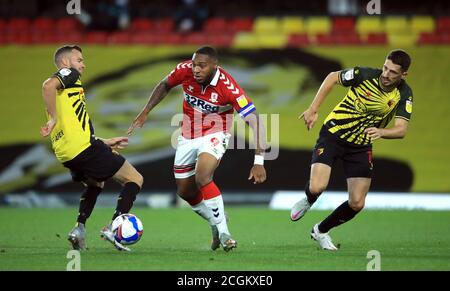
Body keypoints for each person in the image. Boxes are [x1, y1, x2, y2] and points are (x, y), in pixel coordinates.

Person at [128, 46, 267, 252]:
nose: (196, 70)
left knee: (203, 177)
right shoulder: (185, 70)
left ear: (214, 67)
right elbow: (165, 84)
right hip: (187, 136)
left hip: (214, 134)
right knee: (185, 191)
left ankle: (225, 233)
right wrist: (145, 111)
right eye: (194, 65)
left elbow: (255, 121)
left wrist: (259, 162)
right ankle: (214, 220)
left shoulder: (228, 88)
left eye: (202, 66)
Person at [291, 49, 413, 250]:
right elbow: (332, 78)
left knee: (357, 203)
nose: (386, 74)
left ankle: (321, 230)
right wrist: (313, 109)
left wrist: (382, 132)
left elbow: (401, 130)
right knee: (317, 187)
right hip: (334, 134)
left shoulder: (404, 94)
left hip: (360, 145)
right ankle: (308, 199)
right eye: (385, 68)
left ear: (403, 75)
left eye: (392, 72)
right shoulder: (363, 75)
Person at [40, 45, 143, 252]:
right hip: (83, 149)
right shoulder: (70, 75)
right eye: (79, 60)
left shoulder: (67, 91)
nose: (83, 64)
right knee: (135, 179)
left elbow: (76, 126)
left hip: (68, 153)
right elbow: (47, 85)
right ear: (66, 62)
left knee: (96, 183)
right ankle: (114, 228)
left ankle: (79, 229)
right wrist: (52, 118)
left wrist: (104, 141)